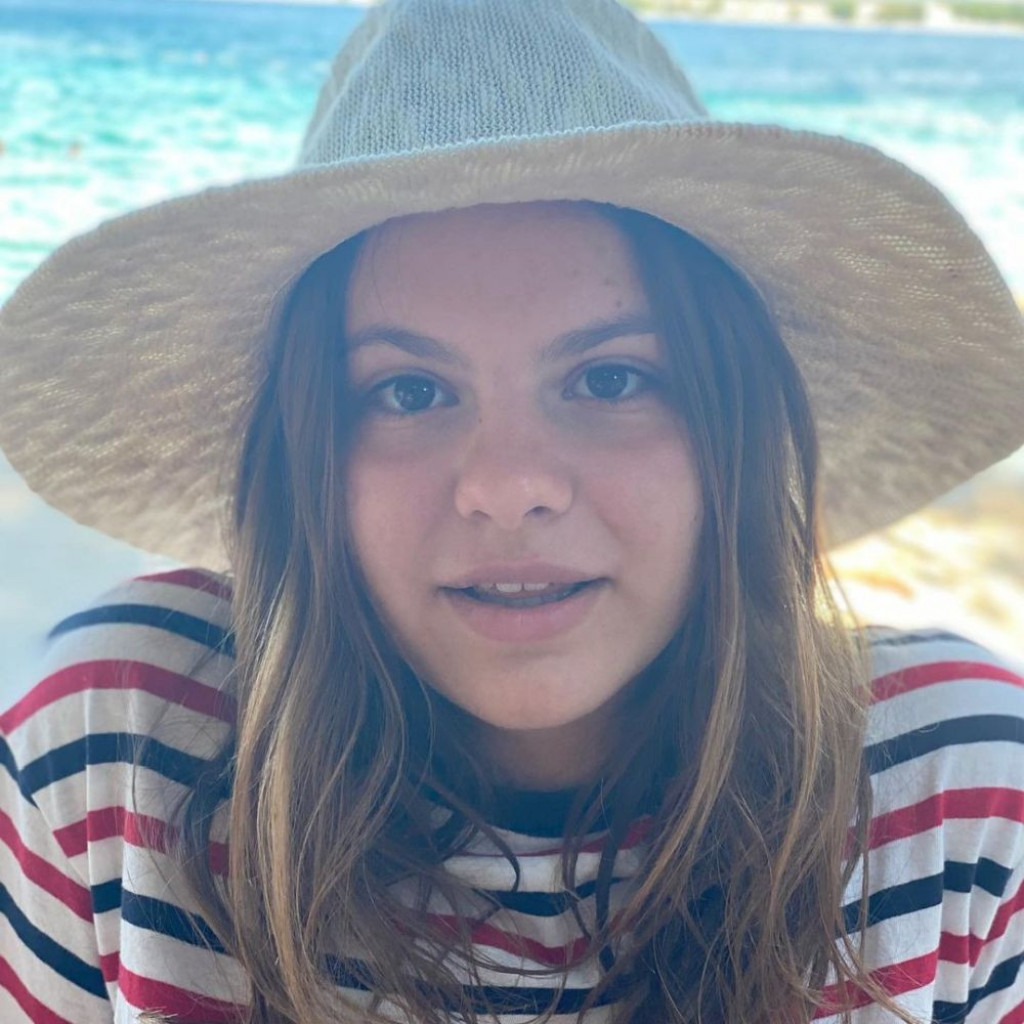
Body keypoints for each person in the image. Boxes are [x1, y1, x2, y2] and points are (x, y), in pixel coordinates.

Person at [0, 0, 1021, 1021]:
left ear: (734, 429)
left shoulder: (958, 792)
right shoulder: (126, 742)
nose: (506, 483)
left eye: (611, 378)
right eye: (408, 391)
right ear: (308, 454)